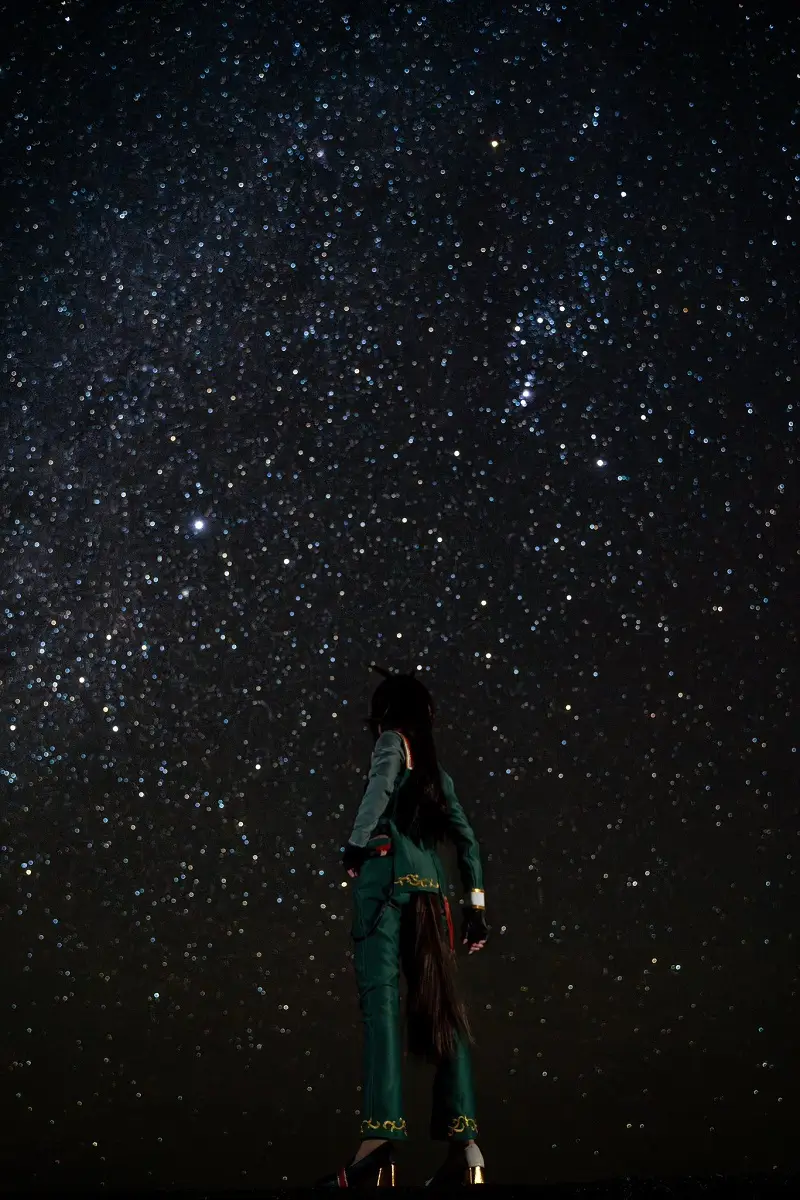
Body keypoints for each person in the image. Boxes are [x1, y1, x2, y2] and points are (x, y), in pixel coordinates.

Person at [315, 666, 489, 1189]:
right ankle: (468, 1151)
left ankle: (378, 1146)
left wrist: (355, 842)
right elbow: (468, 842)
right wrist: (475, 908)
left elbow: (379, 785)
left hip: (386, 888)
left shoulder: (393, 743)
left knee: (382, 1009)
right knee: (441, 1014)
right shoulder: (439, 775)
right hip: (432, 899)